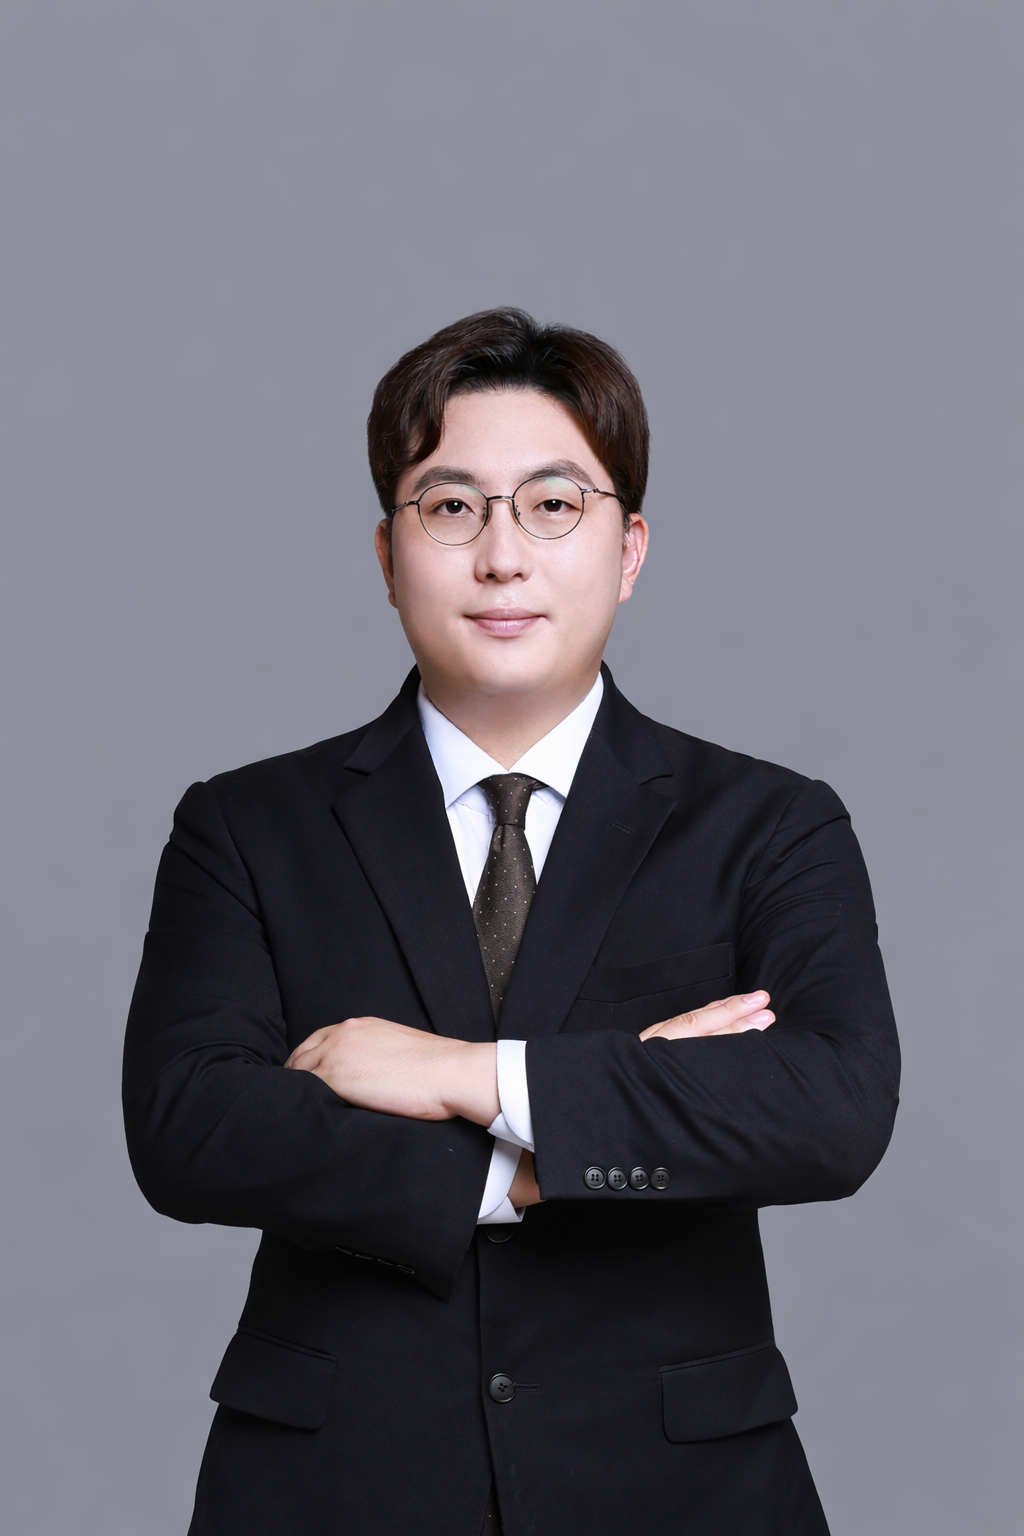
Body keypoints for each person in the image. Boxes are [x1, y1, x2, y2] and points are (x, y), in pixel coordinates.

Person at [123, 308, 899, 1536]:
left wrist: (463, 1074)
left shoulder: (769, 823)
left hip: (680, 1492)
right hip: (332, 1489)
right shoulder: (247, 825)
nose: (501, 557)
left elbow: (828, 1109)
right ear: (388, 554)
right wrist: (551, 1152)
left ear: (628, 548)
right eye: (450, 506)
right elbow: (191, 1129)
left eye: (552, 505)